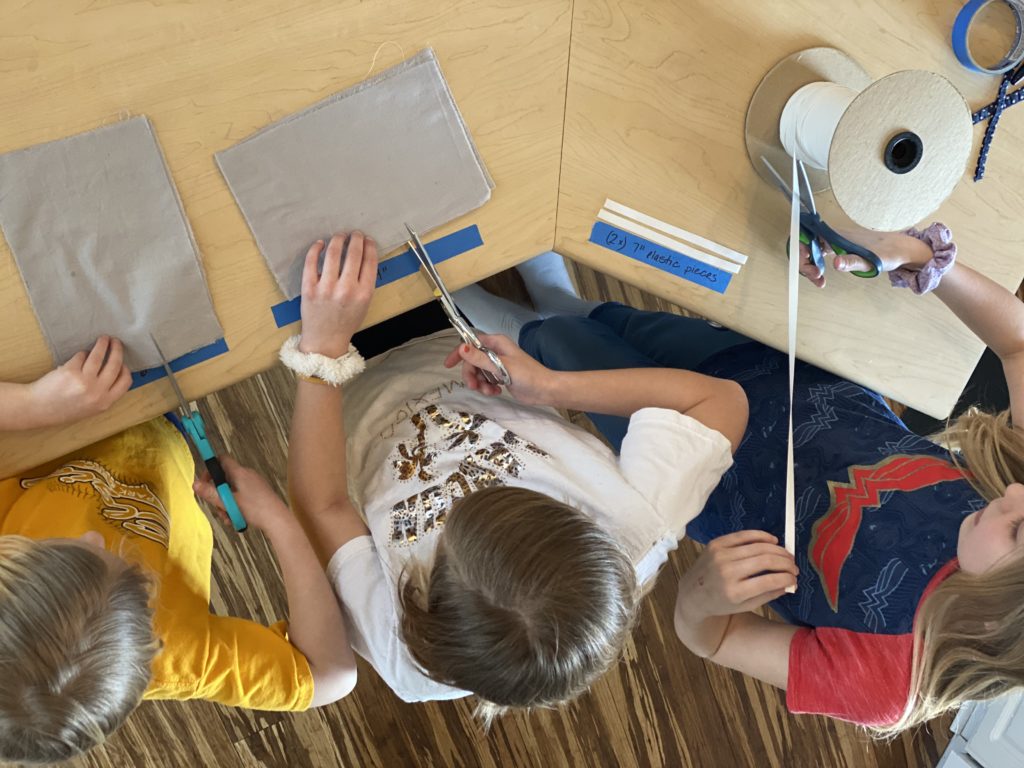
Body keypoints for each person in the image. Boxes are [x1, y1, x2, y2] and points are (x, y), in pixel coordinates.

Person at [457, 227, 1024, 733]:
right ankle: (560, 302)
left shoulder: (889, 680)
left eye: (1019, 531)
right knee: (620, 323)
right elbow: (1018, 345)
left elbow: (713, 638)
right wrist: (923, 256)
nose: (1015, 495)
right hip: (772, 379)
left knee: (558, 347)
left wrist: (707, 592)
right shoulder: (1012, 512)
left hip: (696, 462)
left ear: (997, 613)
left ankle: (489, 308)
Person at [280, 232, 746, 718]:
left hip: (349, 381)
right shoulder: (637, 529)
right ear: (590, 533)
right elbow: (720, 401)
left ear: (428, 597)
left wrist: (322, 355)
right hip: (458, 337)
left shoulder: (403, 656)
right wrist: (549, 387)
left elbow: (321, 503)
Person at [0, 337, 357, 764]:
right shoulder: (178, 655)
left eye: (55, 553)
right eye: (129, 574)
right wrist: (279, 522)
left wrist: (30, 404)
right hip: (154, 418)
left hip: (49, 389)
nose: (93, 537)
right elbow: (331, 675)